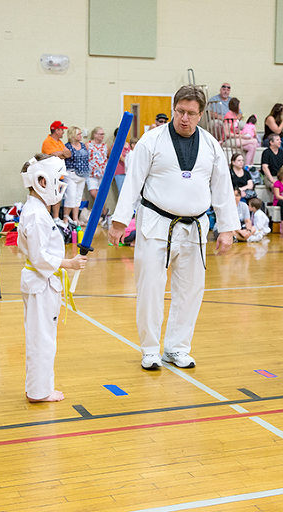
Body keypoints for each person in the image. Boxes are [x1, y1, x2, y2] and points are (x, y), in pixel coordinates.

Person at [108, 85, 240, 370]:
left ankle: (177, 348)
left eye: (192, 113)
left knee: (191, 290)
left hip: (195, 228)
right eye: (180, 111)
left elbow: (222, 187)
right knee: (150, 288)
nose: (185, 118)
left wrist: (227, 228)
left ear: (201, 114)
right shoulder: (151, 140)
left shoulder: (211, 145)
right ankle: (150, 349)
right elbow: (132, 182)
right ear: (173, 110)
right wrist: (119, 221)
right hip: (156, 225)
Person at [18, 154, 88, 402]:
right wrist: (69, 263)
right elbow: (39, 257)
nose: (60, 186)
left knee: (43, 337)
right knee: (42, 339)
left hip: (42, 282)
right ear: (41, 181)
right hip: (40, 283)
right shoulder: (36, 215)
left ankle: (39, 388)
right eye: (57, 180)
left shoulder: (38, 210)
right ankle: (39, 391)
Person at [62, 126, 90, 226]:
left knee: (78, 197)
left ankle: (75, 218)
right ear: (73, 135)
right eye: (78, 134)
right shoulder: (67, 146)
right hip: (71, 174)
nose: (80, 135)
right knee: (70, 196)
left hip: (82, 175)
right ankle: (65, 217)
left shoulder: (83, 145)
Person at [223, 97, 258, 167]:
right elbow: (227, 133)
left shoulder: (234, 116)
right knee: (254, 141)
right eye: (239, 106)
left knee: (251, 147)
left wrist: (241, 133)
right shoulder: (228, 117)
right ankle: (249, 165)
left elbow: (235, 130)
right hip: (228, 140)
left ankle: (248, 165)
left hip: (236, 138)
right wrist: (241, 136)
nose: (240, 108)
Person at [86, 126, 108, 220]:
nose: (102, 136)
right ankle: (104, 211)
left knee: (101, 193)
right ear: (95, 135)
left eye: (103, 134)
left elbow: (108, 157)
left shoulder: (105, 146)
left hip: (102, 173)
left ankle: (100, 214)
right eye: (100, 134)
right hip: (91, 173)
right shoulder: (88, 144)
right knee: (94, 193)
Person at [111, 126, 131, 195]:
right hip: (120, 171)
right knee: (122, 192)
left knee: (129, 191)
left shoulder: (129, 145)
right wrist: (130, 162)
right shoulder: (115, 145)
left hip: (128, 171)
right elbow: (121, 157)